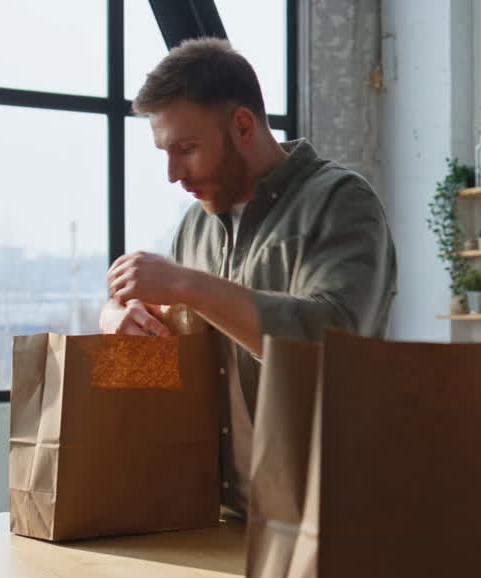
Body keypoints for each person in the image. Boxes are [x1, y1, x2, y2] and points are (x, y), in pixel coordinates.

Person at [102, 38, 397, 517]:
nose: (173, 174)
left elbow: (335, 344)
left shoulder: (341, 200)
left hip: (323, 517)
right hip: (213, 512)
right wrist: (119, 316)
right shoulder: (195, 224)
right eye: (165, 152)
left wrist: (185, 285)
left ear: (242, 125)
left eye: (187, 149)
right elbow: (177, 349)